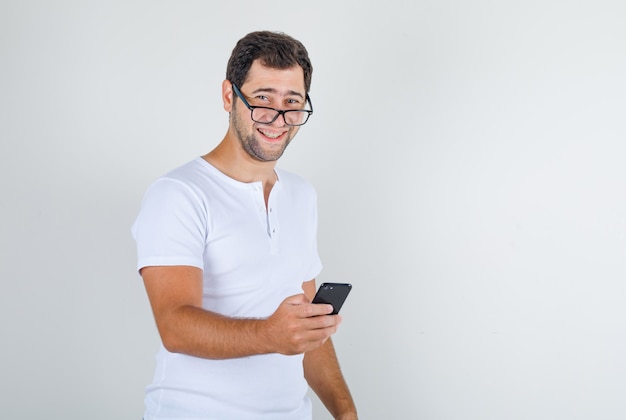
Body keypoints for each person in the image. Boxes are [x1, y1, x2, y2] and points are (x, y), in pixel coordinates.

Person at [132, 30, 357, 420]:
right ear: (228, 96)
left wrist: (346, 413)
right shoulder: (179, 193)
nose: (278, 118)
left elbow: (305, 329)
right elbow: (174, 325)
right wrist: (270, 334)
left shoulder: (302, 195)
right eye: (262, 99)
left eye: (293, 102)